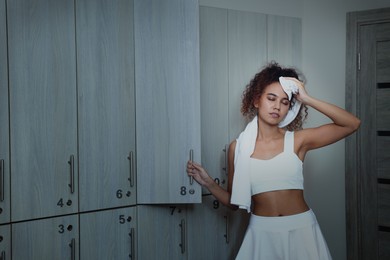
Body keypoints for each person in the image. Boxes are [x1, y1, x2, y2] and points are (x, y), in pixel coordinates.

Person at [187, 62, 360, 259]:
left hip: (302, 230)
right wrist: (208, 182)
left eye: (285, 102)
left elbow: (352, 124)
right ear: (256, 100)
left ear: (290, 108)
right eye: (271, 98)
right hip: (261, 233)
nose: (277, 106)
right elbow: (235, 203)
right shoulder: (238, 148)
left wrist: (307, 98)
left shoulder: (297, 141)